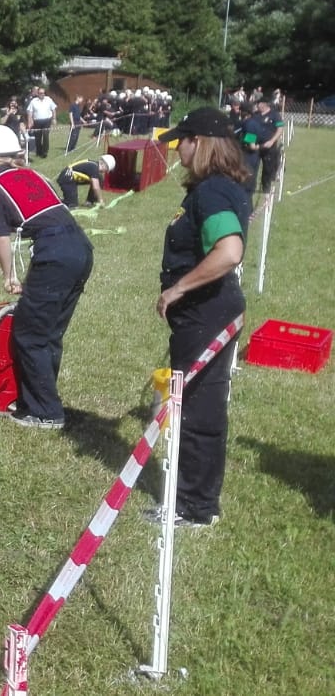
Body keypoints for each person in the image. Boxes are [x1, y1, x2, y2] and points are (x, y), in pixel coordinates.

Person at [153, 108, 251, 528]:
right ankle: (192, 497)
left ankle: (194, 506)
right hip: (207, 311)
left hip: (206, 312)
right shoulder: (217, 188)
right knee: (196, 403)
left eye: (183, 141)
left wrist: (178, 289)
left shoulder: (213, 192)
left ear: (201, 143)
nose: (178, 149)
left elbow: (229, 251)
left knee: (197, 409)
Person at [0, 126, 95, 429]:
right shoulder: (32, 175)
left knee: (30, 335)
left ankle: (46, 412)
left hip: (55, 253)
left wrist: (8, 276)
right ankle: (39, 399)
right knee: (49, 332)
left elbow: (0, 236)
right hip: (80, 247)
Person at [239, 94, 284, 196]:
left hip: (269, 146)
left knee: (268, 168)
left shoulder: (275, 115)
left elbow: (280, 129)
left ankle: (266, 188)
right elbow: (250, 132)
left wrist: (272, 141)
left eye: (258, 103)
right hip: (255, 147)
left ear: (264, 104)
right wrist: (252, 145)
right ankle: (251, 187)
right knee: (252, 167)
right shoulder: (255, 115)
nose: (257, 105)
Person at [26, 87, 57, 158]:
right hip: (37, 121)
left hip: (47, 120)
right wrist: (30, 121)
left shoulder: (49, 99)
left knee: (46, 136)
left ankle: (45, 152)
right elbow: (30, 111)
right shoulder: (33, 101)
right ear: (38, 93)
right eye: (40, 93)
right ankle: (39, 152)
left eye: (43, 93)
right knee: (38, 137)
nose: (42, 94)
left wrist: (54, 118)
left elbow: (53, 109)